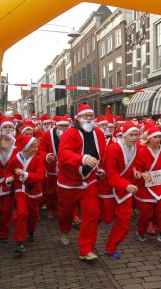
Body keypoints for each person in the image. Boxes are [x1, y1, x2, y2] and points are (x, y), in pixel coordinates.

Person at [57, 104, 106, 261]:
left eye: (91, 115)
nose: (89, 118)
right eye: (86, 116)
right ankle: (64, 230)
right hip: (68, 182)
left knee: (92, 214)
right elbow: (64, 155)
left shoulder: (99, 133)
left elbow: (102, 154)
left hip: (89, 181)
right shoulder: (69, 134)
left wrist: (101, 169)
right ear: (78, 118)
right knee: (65, 214)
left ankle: (86, 250)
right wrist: (82, 158)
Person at [101, 121, 140, 259]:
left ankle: (110, 247)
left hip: (124, 190)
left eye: (136, 135)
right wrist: (125, 185)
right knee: (107, 218)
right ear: (124, 135)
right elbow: (111, 173)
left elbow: (131, 164)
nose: (134, 138)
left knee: (124, 220)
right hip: (109, 187)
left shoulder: (136, 148)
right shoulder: (113, 149)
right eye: (131, 135)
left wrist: (135, 171)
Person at [134, 126, 161, 247]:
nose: (158, 139)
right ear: (149, 138)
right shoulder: (142, 151)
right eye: (155, 137)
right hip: (145, 187)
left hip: (160, 185)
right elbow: (136, 168)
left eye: (159, 137)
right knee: (145, 215)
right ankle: (141, 233)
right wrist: (141, 174)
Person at [5, 135, 44, 253]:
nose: (36, 149)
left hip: (34, 191)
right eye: (34, 147)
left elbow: (40, 176)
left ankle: (31, 231)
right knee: (21, 212)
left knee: (33, 214)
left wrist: (25, 174)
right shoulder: (15, 159)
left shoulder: (38, 159)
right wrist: (9, 178)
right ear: (26, 147)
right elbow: (7, 171)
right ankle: (19, 241)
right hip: (20, 188)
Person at [38, 116, 69, 219]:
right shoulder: (48, 135)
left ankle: (69, 212)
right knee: (51, 190)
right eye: (61, 126)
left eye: (66, 126)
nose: (64, 129)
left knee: (67, 190)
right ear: (56, 125)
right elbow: (41, 149)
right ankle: (51, 208)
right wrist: (47, 156)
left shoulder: (73, 134)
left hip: (67, 167)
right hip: (52, 167)